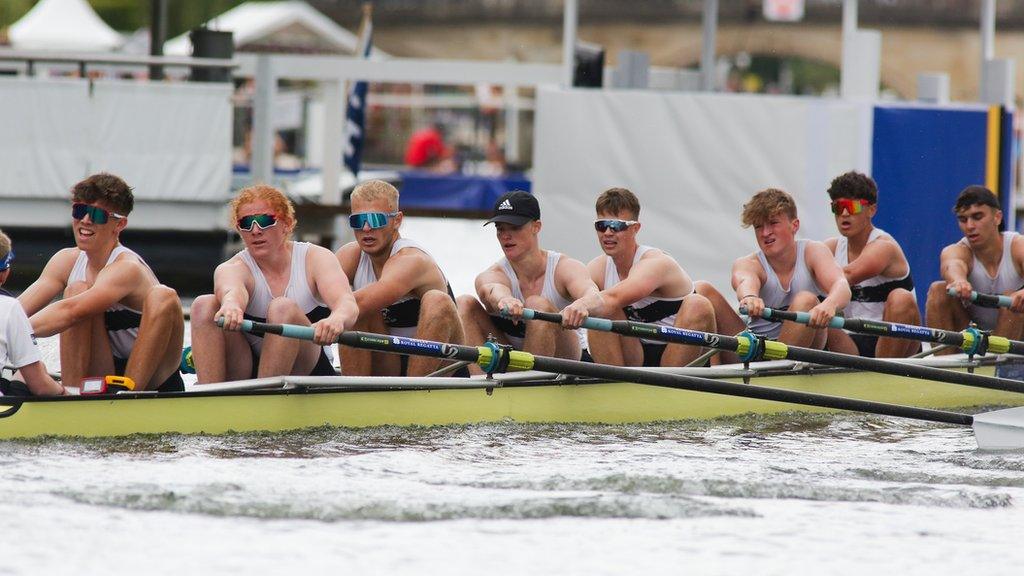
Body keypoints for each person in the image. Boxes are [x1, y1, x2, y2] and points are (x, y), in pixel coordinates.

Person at [18, 173, 185, 392]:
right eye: (80, 211)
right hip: (106, 369)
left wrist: (12, 333)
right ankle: (70, 396)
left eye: (97, 215)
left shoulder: (127, 267)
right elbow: (16, 311)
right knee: (77, 288)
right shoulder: (65, 260)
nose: (85, 220)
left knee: (163, 295)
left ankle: (129, 397)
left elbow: (70, 311)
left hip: (154, 377)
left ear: (120, 224)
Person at [191, 185, 359, 383]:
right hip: (246, 367)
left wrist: (337, 319)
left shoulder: (316, 258)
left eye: (263, 221)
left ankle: (263, 402)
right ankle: (208, 399)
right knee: (203, 305)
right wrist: (231, 306)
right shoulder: (232, 267)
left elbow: (347, 304)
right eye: (246, 223)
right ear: (239, 229)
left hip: (308, 369)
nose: (255, 230)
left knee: (282, 307)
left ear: (286, 224)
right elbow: (231, 291)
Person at [457, 190, 603, 370]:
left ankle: (524, 386)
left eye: (515, 227)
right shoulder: (494, 274)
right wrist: (505, 299)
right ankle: (479, 385)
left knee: (537, 304)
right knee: (464, 303)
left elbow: (595, 297)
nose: (505, 236)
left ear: (536, 226)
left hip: (567, 360)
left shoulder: (564, 267)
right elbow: (492, 289)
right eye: (500, 228)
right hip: (513, 359)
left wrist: (581, 306)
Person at [336, 179, 465, 376]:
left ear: (397, 220)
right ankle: (352, 397)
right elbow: (313, 299)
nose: (366, 228)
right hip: (390, 363)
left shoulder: (411, 260)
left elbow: (359, 301)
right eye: (358, 221)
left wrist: (327, 320)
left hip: (440, 367)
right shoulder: (349, 256)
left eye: (376, 220)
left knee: (436, 300)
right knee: (352, 309)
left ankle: (413, 396)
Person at [696, 188, 851, 351]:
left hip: (802, 348)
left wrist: (829, 305)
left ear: (794, 225)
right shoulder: (749, 263)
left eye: (773, 223)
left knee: (806, 300)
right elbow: (745, 281)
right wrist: (749, 297)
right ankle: (696, 371)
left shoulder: (813, 252)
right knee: (702, 290)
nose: (765, 233)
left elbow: (841, 285)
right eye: (758, 226)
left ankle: (774, 368)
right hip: (755, 348)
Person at [585, 188, 717, 367]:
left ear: (635, 228)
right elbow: (573, 295)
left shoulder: (656, 263)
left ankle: (667, 390)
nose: (607, 232)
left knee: (698, 304)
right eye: (601, 225)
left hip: (679, 353)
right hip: (636, 354)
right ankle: (612, 388)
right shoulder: (597, 268)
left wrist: (581, 306)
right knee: (598, 308)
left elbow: (613, 297)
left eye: (616, 225)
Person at [822, 172, 919, 358]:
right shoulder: (831, 248)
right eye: (838, 207)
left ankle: (883, 376)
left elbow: (848, 274)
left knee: (901, 298)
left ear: (872, 210)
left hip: (895, 341)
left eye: (852, 206)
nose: (844, 213)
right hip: (851, 342)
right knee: (806, 298)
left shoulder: (884, 247)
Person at [925, 185, 1024, 340]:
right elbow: (952, 265)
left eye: (977, 217)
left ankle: (996, 363)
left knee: (1011, 299)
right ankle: (943, 363)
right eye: (963, 220)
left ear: (997, 217)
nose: (970, 226)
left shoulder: (1018, 245)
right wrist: (958, 281)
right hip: (973, 333)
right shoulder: (958, 250)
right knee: (938, 291)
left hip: (1018, 336)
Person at [0, 230, 65, 396]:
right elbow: (40, 386)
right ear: (4, 274)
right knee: (36, 371)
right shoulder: (10, 307)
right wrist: (66, 394)